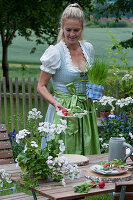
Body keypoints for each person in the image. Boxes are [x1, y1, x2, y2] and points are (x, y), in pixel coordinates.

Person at [37, 3, 100, 155]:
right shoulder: (55, 52)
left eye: (76, 30)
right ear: (62, 28)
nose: (72, 34)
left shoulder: (88, 48)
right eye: (68, 30)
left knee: (87, 155)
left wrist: (95, 89)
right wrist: (55, 103)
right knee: (62, 155)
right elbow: (41, 86)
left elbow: (90, 78)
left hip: (85, 110)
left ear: (82, 29)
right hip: (63, 111)